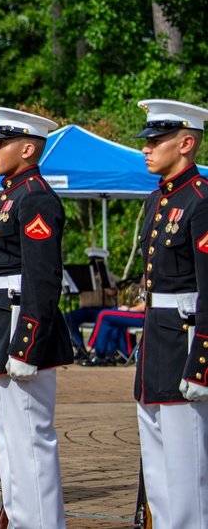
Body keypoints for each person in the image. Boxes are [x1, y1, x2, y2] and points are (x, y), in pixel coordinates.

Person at [0, 107, 72, 529]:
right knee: (12, 442)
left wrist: (27, 344)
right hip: (4, 327)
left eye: (2, 144)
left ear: (28, 148)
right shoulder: (13, 193)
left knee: (31, 441)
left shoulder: (34, 196)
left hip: (21, 329)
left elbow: (42, 277)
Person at [132, 99, 208, 529]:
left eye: (155, 141)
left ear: (185, 143)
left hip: (184, 340)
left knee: (188, 467)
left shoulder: (201, 201)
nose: (146, 149)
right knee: (158, 466)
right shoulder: (154, 202)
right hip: (157, 340)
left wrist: (202, 363)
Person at [63, 247, 119, 359]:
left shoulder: (112, 277)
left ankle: (102, 351)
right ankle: (80, 348)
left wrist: (103, 281)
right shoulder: (84, 275)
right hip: (86, 310)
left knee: (104, 317)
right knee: (68, 317)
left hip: (104, 310)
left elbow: (113, 293)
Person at [79, 300, 145, 366]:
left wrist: (128, 309)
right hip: (141, 315)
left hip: (145, 316)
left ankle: (99, 354)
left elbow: (144, 306)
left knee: (104, 314)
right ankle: (109, 354)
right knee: (112, 312)